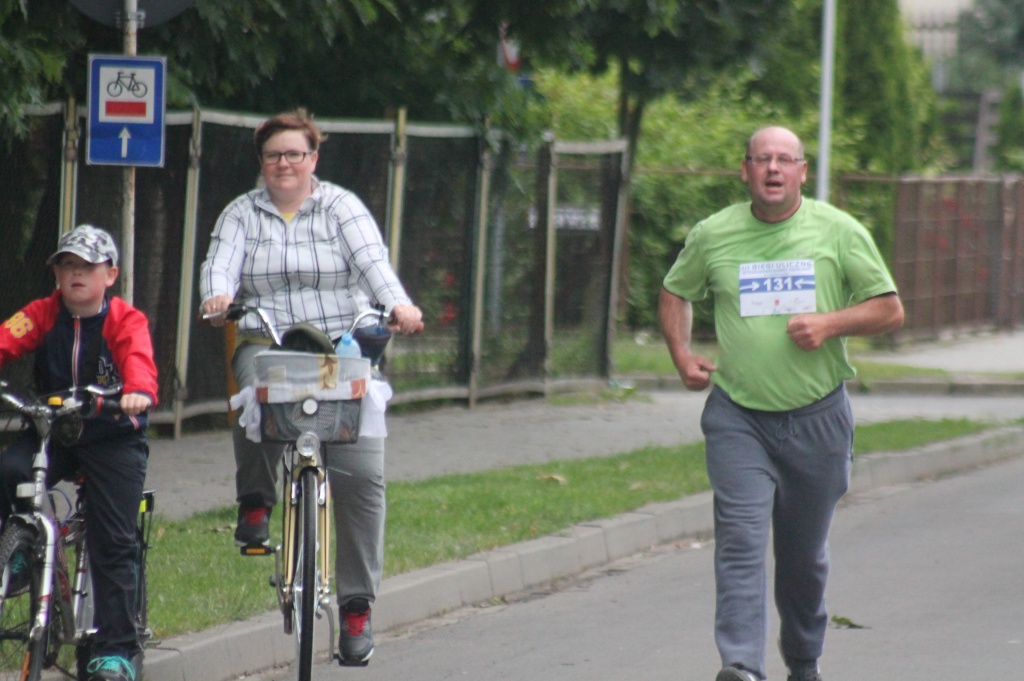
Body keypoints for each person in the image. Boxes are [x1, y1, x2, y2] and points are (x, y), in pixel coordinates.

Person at [658, 126, 904, 681]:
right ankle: (741, 666)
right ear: (744, 170)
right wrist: (680, 352)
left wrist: (830, 323)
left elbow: (889, 310)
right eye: (762, 159)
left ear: (801, 171)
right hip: (739, 417)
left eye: (784, 160)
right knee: (741, 541)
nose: (773, 168)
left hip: (817, 418)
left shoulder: (838, 231)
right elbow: (676, 289)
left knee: (802, 560)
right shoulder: (714, 234)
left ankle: (804, 661)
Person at [198, 108, 423, 666]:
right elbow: (218, 265)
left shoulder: (342, 207)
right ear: (262, 162)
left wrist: (398, 304)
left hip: (339, 348)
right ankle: (256, 501)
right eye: (273, 155)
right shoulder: (241, 213)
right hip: (269, 342)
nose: (284, 164)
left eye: (294, 153)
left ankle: (355, 607)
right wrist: (217, 296)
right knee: (255, 402)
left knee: (362, 474)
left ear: (313, 158)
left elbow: (374, 265)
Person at [0, 224, 158, 681]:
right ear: (56, 275)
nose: (75, 275)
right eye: (67, 265)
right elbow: (8, 337)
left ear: (110, 275)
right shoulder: (42, 313)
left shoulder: (125, 320)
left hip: (112, 434)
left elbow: (140, 364)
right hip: (55, 430)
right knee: (9, 468)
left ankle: (116, 650)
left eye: (87, 267)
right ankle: (21, 549)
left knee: (113, 542)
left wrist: (137, 393)